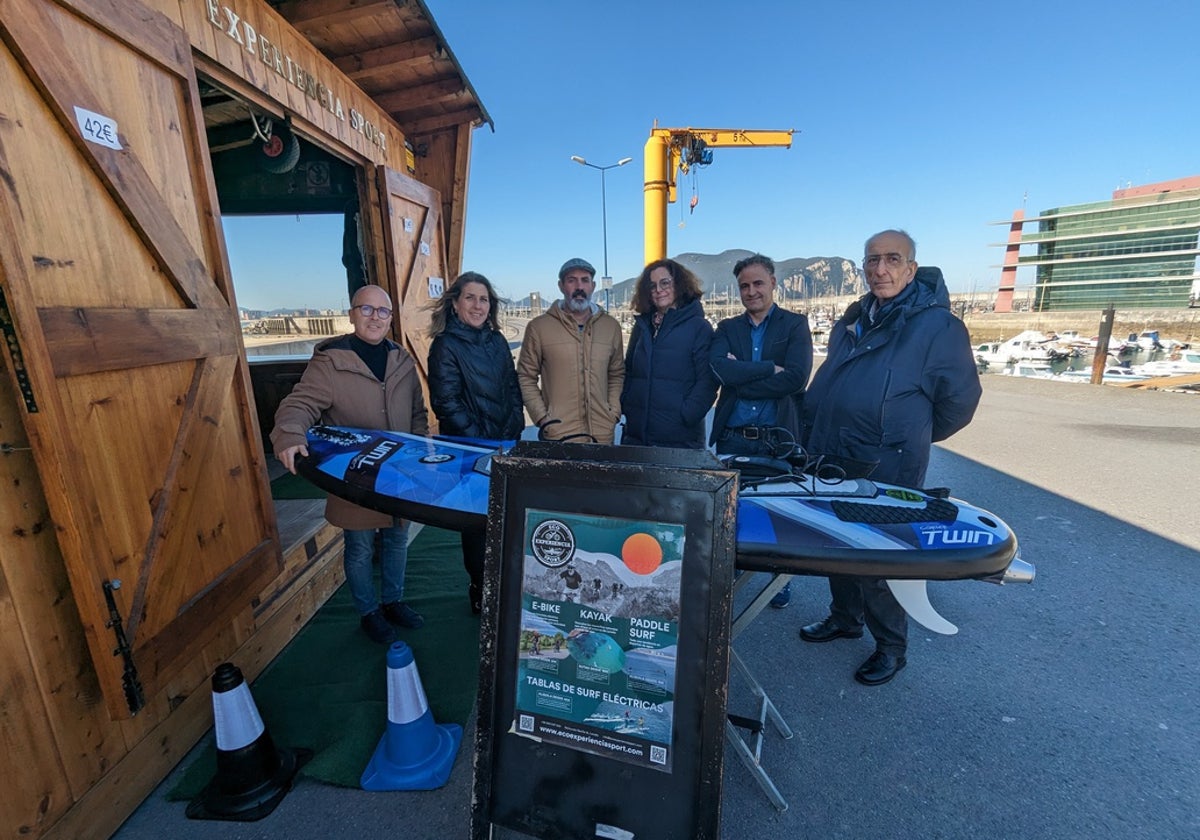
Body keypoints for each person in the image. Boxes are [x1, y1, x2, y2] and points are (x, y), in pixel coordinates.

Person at [799, 230, 982, 686]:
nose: (880, 269)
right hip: (834, 456)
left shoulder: (937, 327)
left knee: (881, 560)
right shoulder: (854, 319)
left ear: (911, 268)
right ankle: (844, 618)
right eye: (872, 261)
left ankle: (891, 647)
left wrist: (907, 436)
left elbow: (959, 403)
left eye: (892, 259)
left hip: (887, 465)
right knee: (835, 545)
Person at [271, 284, 429, 645]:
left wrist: (419, 453)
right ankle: (368, 611)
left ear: (390, 318)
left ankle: (392, 601)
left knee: (396, 538)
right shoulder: (330, 361)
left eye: (382, 311)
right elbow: (299, 405)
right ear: (352, 313)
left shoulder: (401, 360)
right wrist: (290, 435)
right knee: (358, 546)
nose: (375, 317)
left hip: (398, 473)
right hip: (354, 474)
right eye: (366, 309)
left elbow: (418, 414)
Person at [709, 253, 813, 607]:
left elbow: (797, 379)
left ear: (772, 283)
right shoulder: (727, 329)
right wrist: (770, 369)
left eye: (758, 283)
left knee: (779, 513)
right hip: (733, 436)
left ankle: (777, 581)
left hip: (775, 440)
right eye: (744, 286)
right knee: (731, 513)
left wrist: (744, 377)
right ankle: (732, 571)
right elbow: (720, 372)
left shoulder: (795, 325)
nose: (751, 291)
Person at [427, 271, 524, 613]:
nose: (477, 305)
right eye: (470, 297)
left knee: (508, 516)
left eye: (483, 299)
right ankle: (480, 588)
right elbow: (447, 403)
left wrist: (512, 429)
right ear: (454, 303)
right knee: (478, 522)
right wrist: (482, 444)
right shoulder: (445, 346)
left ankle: (507, 582)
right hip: (470, 452)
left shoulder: (497, 342)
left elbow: (513, 388)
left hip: (505, 443)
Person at [517, 258, 624, 444]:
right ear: (561, 286)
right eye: (571, 280)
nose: (579, 286)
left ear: (593, 286)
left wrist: (613, 412)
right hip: (558, 435)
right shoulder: (539, 327)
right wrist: (543, 418)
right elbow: (526, 376)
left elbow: (616, 373)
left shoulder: (610, 327)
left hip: (602, 436)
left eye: (585, 280)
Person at [620, 259, 717, 449]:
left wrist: (687, 415)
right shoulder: (643, 327)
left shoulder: (699, 327)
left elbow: (707, 381)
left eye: (665, 283)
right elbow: (629, 370)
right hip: (637, 435)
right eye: (652, 285)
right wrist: (627, 403)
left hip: (680, 439)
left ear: (679, 284)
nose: (658, 289)